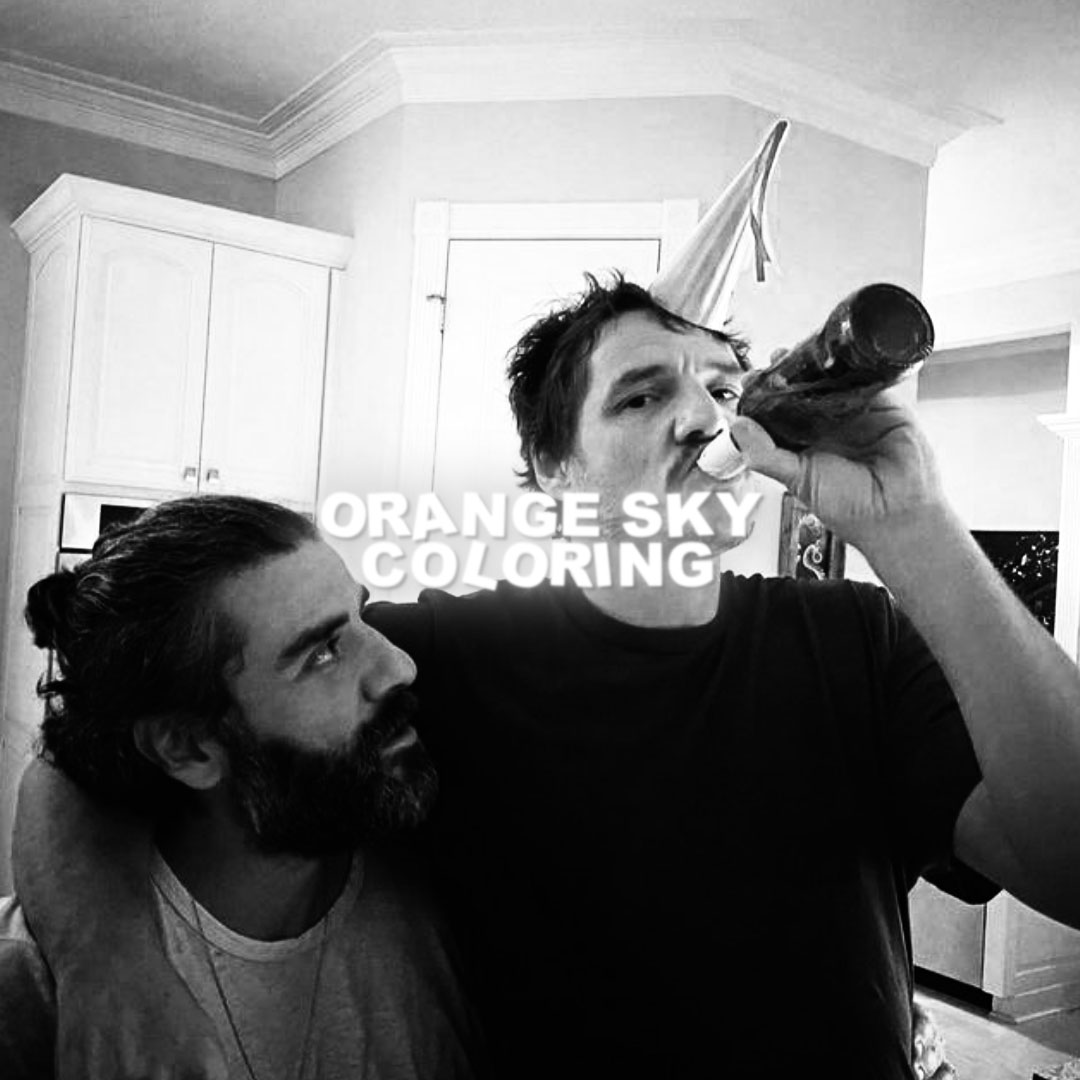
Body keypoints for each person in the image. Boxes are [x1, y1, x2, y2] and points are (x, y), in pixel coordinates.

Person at [13, 123, 1080, 1078]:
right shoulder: (434, 660)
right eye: (643, 394)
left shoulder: (859, 639)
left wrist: (916, 526)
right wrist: (110, 966)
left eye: (723, 388)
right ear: (553, 470)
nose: (704, 421)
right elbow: (87, 761)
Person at [0, 496, 483, 1079]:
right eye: (323, 652)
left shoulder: (450, 886)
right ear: (189, 748)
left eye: (362, 615)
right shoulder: (32, 993)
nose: (398, 665)